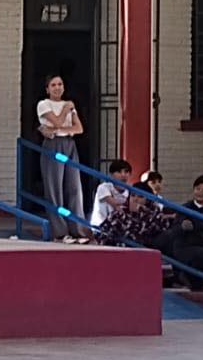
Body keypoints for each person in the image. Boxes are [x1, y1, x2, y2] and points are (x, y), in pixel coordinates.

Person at [36, 75, 85, 242]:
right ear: (47, 89)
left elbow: (79, 128)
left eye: (60, 84)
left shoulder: (69, 104)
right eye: (53, 85)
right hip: (53, 145)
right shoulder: (44, 104)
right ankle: (60, 232)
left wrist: (58, 129)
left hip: (69, 144)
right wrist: (65, 112)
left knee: (74, 187)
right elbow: (57, 122)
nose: (57, 87)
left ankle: (78, 229)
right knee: (54, 187)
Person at [163, 174, 203, 286]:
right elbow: (174, 231)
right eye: (198, 189)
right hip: (185, 247)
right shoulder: (184, 208)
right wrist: (182, 227)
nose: (200, 192)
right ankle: (185, 277)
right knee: (202, 255)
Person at [94, 185, 169, 248]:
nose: (135, 199)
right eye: (132, 195)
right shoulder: (119, 214)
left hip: (141, 254)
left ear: (148, 201)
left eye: (140, 197)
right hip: (115, 252)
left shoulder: (154, 215)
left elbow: (149, 238)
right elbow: (101, 233)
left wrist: (142, 213)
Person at [91, 159, 132, 228]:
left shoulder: (131, 191)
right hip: (101, 228)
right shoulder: (104, 187)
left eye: (126, 171)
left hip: (121, 229)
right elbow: (116, 205)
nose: (123, 175)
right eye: (119, 172)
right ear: (111, 175)